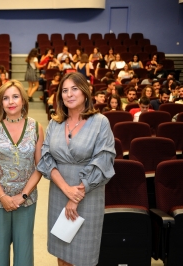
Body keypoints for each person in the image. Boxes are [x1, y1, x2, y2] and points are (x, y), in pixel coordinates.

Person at [37, 72, 116, 266]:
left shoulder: (100, 122)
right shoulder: (55, 124)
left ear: (85, 92)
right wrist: (66, 189)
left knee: (83, 256)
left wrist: (76, 194)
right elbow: (46, 158)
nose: (69, 94)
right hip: (59, 191)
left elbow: (104, 160)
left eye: (74, 89)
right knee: (62, 254)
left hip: (88, 194)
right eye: (64, 90)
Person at [0, 80, 44, 266]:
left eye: (15, 97)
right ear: (0, 103)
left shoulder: (36, 127)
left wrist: (23, 195)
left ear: (23, 100)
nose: (11, 102)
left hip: (26, 199)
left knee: (24, 251)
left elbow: (40, 166)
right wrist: (2, 196)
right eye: (6, 98)